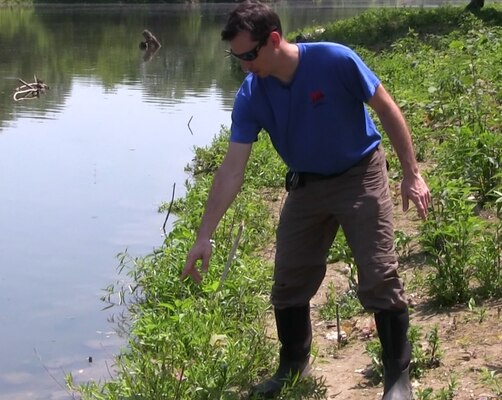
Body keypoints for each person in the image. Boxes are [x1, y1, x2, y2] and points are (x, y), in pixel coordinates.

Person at [181, 1, 431, 399]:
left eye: (248, 55)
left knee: (379, 274)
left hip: (359, 173)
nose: (244, 66)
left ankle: (397, 379)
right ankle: (293, 365)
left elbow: (386, 108)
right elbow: (231, 168)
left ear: (274, 40)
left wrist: (411, 174)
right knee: (288, 280)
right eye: (236, 57)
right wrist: (204, 235)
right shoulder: (252, 93)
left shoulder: (335, 60)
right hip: (307, 185)